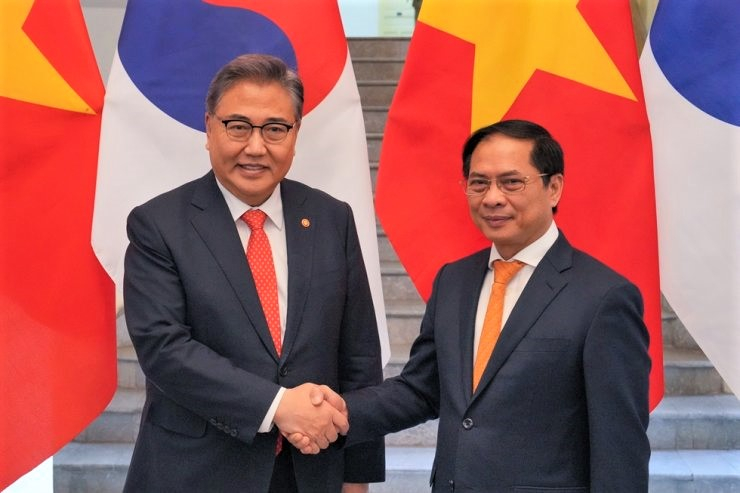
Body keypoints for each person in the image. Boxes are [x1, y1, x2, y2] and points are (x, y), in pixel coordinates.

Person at [296, 119, 651, 491]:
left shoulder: (604, 298)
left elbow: (619, 446)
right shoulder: (454, 281)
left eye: (512, 182)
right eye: (479, 183)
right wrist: (336, 412)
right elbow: (422, 390)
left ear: (554, 188)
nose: (493, 197)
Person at [122, 54, 384, 493]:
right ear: (209, 128)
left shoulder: (331, 218)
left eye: (275, 129)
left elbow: (358, 356)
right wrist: (278, 405)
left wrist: (358, 474)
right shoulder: (158, 223)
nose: (256, 147)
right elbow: (165, 349)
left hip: (311, 472)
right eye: (238, 126)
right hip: (196, 472)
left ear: (295, 135)